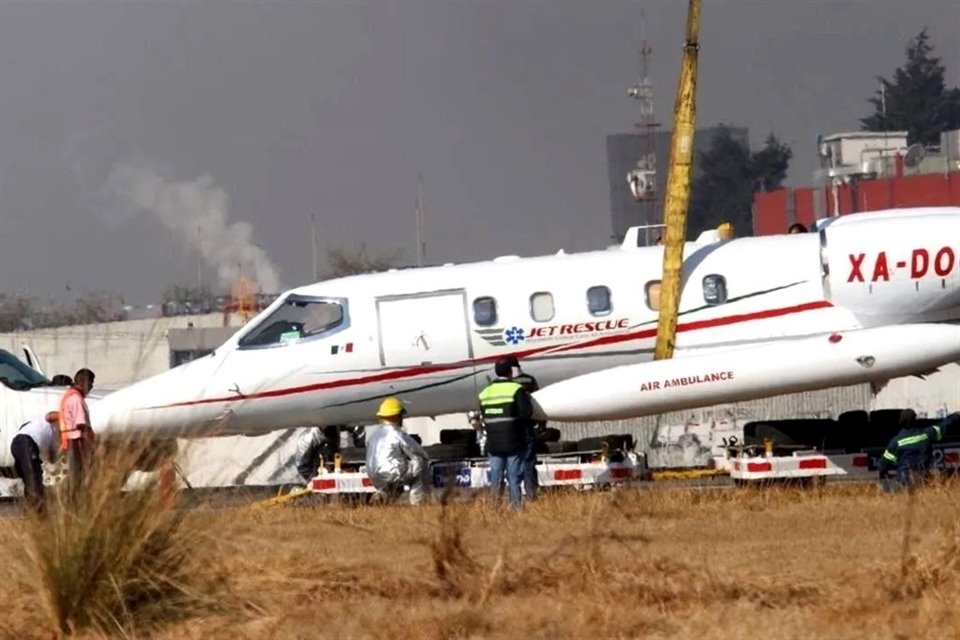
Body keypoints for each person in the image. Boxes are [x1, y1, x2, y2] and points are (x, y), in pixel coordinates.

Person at [478, 358, 534, 509]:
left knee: (496, 478)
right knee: (514, 478)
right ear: (511, 371)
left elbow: (484, 416)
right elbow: (526, 413)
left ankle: (494, 509)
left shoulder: (484, 393)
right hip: (514, 441)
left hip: (494, 444)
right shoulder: (516, 389)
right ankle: (516, 509)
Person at [364, 397, 431, 505]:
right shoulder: (397, 434)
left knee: (394, 478)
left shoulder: (373, 436)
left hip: (375, 476)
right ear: (398, 416)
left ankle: (382, 494)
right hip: (393, 473)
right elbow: (418, 453)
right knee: (421, 464)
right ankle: (419, 502)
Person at [877, 410, 959, 490]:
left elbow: (884, 464)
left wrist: (883, 475)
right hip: (923, 480)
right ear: (915, 419)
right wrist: (956, 415)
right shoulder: (926, 434)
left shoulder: (896, 442)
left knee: (882, 485)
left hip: (903, 482)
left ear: (901, 422)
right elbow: (944, 425)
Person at [501, 355, 542, 501]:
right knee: (529, 463)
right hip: (528, 428)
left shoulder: (506, 383)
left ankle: (515, 498)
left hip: (511, 429)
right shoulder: (529, 380)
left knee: (513, 464)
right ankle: (532, 496)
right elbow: (537, 403)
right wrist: (542, 426)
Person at [11, 410, 60, 513]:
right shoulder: (47, 423)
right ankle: (38, 512)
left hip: (20, 446)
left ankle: (32, 511)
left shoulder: (51, 436)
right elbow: (49, 416)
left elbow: (52, 456)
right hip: (26, 443)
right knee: (33, 479)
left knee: (30, 479)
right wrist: (68, 416)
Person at [59, 368, 96, 495]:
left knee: (75, 475)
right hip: (77, 442)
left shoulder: (69, 395)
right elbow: (81, 425)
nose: (92, 387)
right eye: (91, 383)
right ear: (86, 382)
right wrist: (92, 446)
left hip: (70, 441)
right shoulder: (76, 399)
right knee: (78, 476)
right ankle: (75, 502)